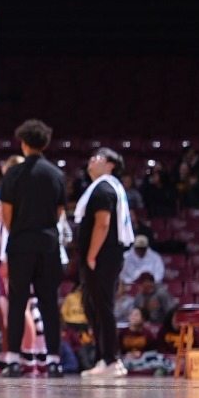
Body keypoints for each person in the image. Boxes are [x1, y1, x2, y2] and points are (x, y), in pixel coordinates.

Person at [0, 119, 66, 371]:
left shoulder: (13, 174)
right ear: (45, 144)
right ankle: (54, 361)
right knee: (49, 301)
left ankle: (14, 360)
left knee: (18, 301)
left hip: (20, 244)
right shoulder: (56, 174)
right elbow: (60, 211)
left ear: (24, 143)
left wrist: (18, 232)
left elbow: (7, 213)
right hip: (48, 244)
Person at [76, 147, 133, 381]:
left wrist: (91, 255)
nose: (92, 159)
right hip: (106, 256)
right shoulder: (107, 187)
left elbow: (103, 224)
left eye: (98, 157)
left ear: (111, 165)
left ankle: (110, 359)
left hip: (101, 256)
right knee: (96, 307)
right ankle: (105, 358)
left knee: (103, 307)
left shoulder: (103, 189)